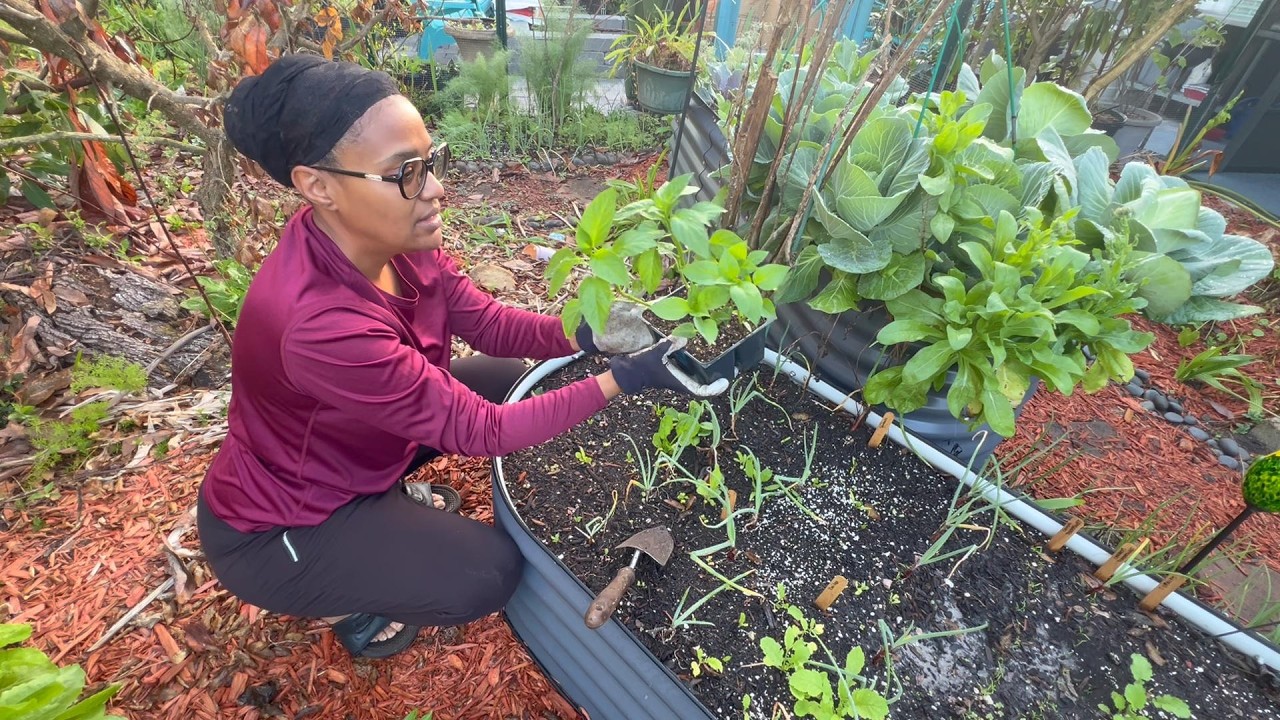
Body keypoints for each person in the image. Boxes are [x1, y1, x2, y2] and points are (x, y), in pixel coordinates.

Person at [196, 54, 727, 660]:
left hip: (349, 446)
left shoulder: (394, 237)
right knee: (487, 576)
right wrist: (626, 376)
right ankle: (349, 601)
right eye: (406, 173)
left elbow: (488, 323)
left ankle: (384, 512)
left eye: (431, 162)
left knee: (508, 380)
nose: (437, 189)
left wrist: (588, 335)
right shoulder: (318, 323)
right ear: (317, 186)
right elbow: (487, 431)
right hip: (284, 525)